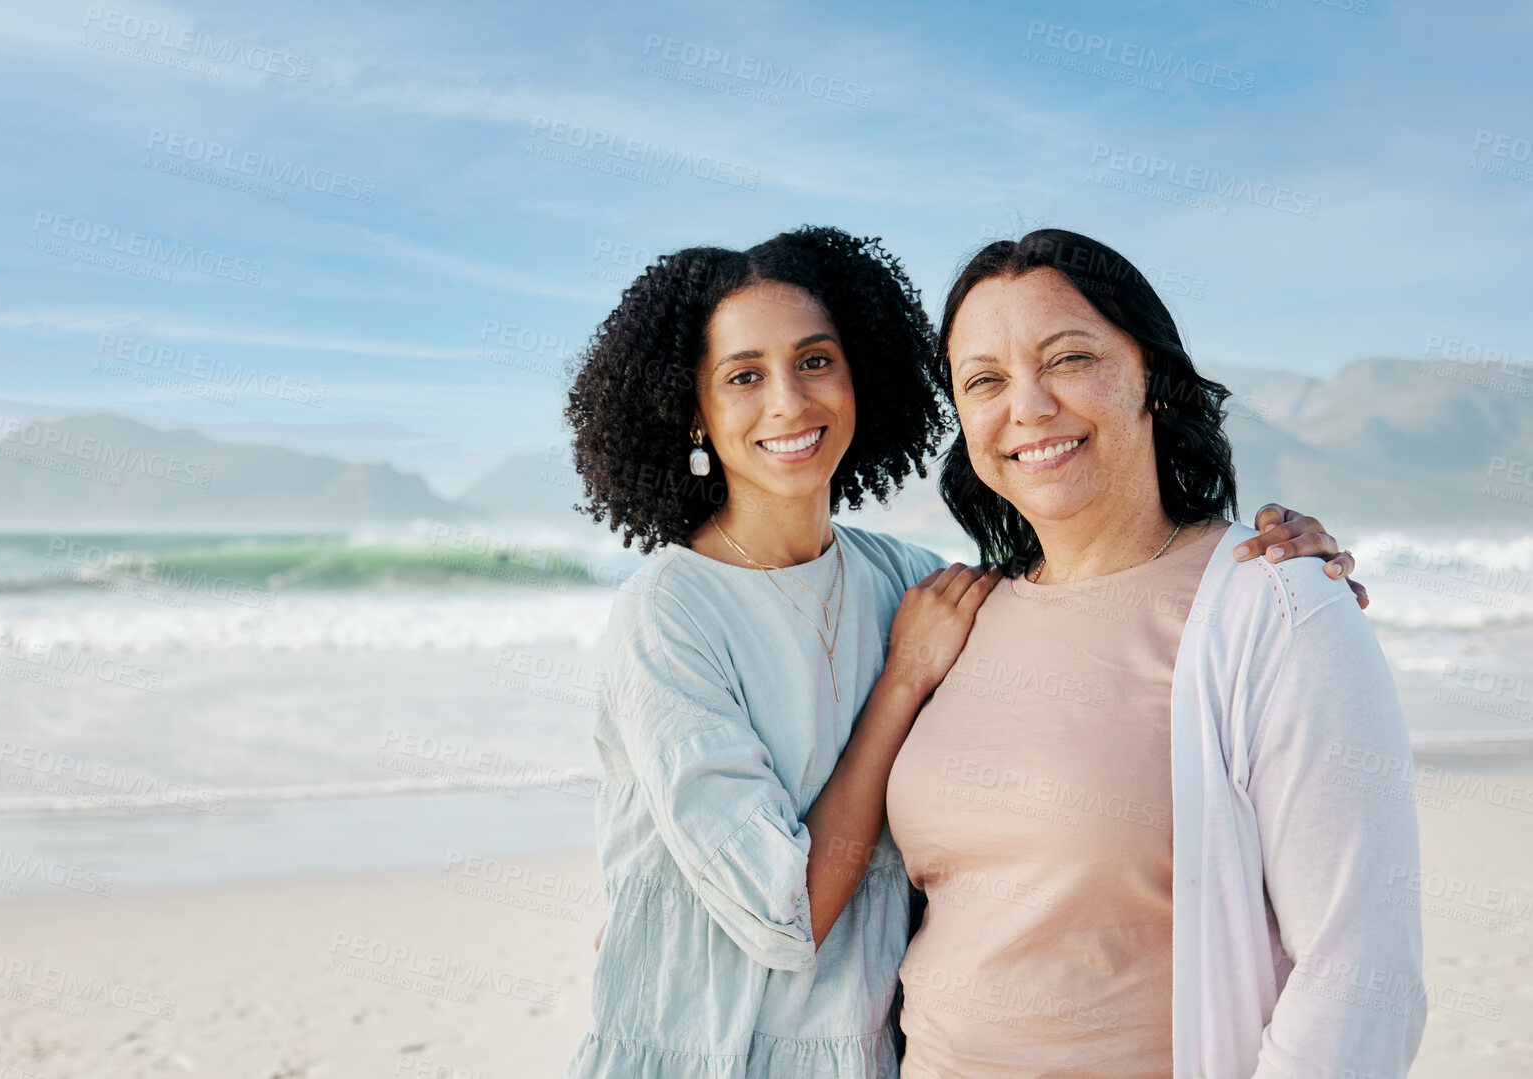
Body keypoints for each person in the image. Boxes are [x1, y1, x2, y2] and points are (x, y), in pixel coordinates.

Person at [558, 225, 1361, 1078]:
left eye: (817, 359)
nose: (790, 400)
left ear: (860, 371)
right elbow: (781, 914)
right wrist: (901, 680)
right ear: (694, 410)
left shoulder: (908, 582)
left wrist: (1277, 571)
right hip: (706, 1054)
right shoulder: (667, 614)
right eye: (744, 376)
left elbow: (1081, 606)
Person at [884, 228, 1422, 1078]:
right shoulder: (953, 613)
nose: (1026, 406)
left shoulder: (1277, 600)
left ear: (1155, 380)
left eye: (1066, 358)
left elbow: (1359, 972)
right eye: (984, 380)